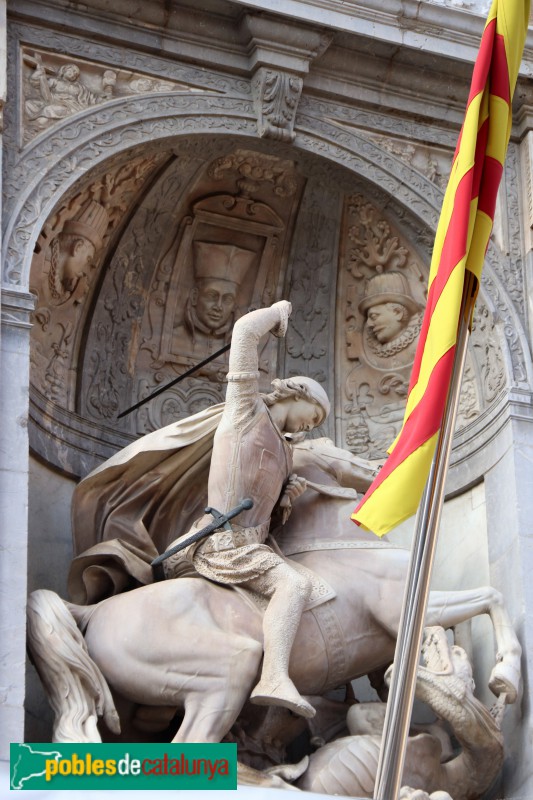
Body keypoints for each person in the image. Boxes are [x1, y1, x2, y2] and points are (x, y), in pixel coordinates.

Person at [165, 300, 330, 719]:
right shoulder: (246, 409)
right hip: (221, 544)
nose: (310, 428)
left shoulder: (288, 455)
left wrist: (285, 502)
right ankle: (274, 676)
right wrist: (277, 312)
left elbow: (266, 519)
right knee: (294, 586)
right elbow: (243, 333)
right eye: (313, 417)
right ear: (297, 393)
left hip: (252, 548)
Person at [172, 240, 256, 361]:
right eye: (212, 296)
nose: (218, 306)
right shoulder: (174, 338)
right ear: (195, 296)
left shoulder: (243, 350)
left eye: (227, 299)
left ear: (234, 305)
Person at [358, 271, 424, 369]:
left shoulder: (423, 343)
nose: (369, 324)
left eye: (374, 316)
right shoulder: (369, 355)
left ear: (398, 313)